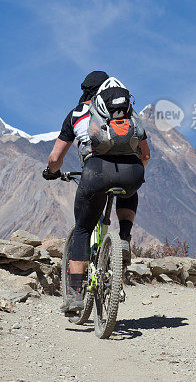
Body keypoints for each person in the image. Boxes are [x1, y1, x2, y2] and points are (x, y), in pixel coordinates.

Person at [42, 71, 151, 314]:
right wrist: (132, 172)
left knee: (82, 229)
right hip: (132, 173)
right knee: (128, 189)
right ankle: (123, 237)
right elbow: (145, 155)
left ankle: (76, 295)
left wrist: (51, 172)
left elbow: (55, 158)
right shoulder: (128, 113)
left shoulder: (77, 114)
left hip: (95, 174)